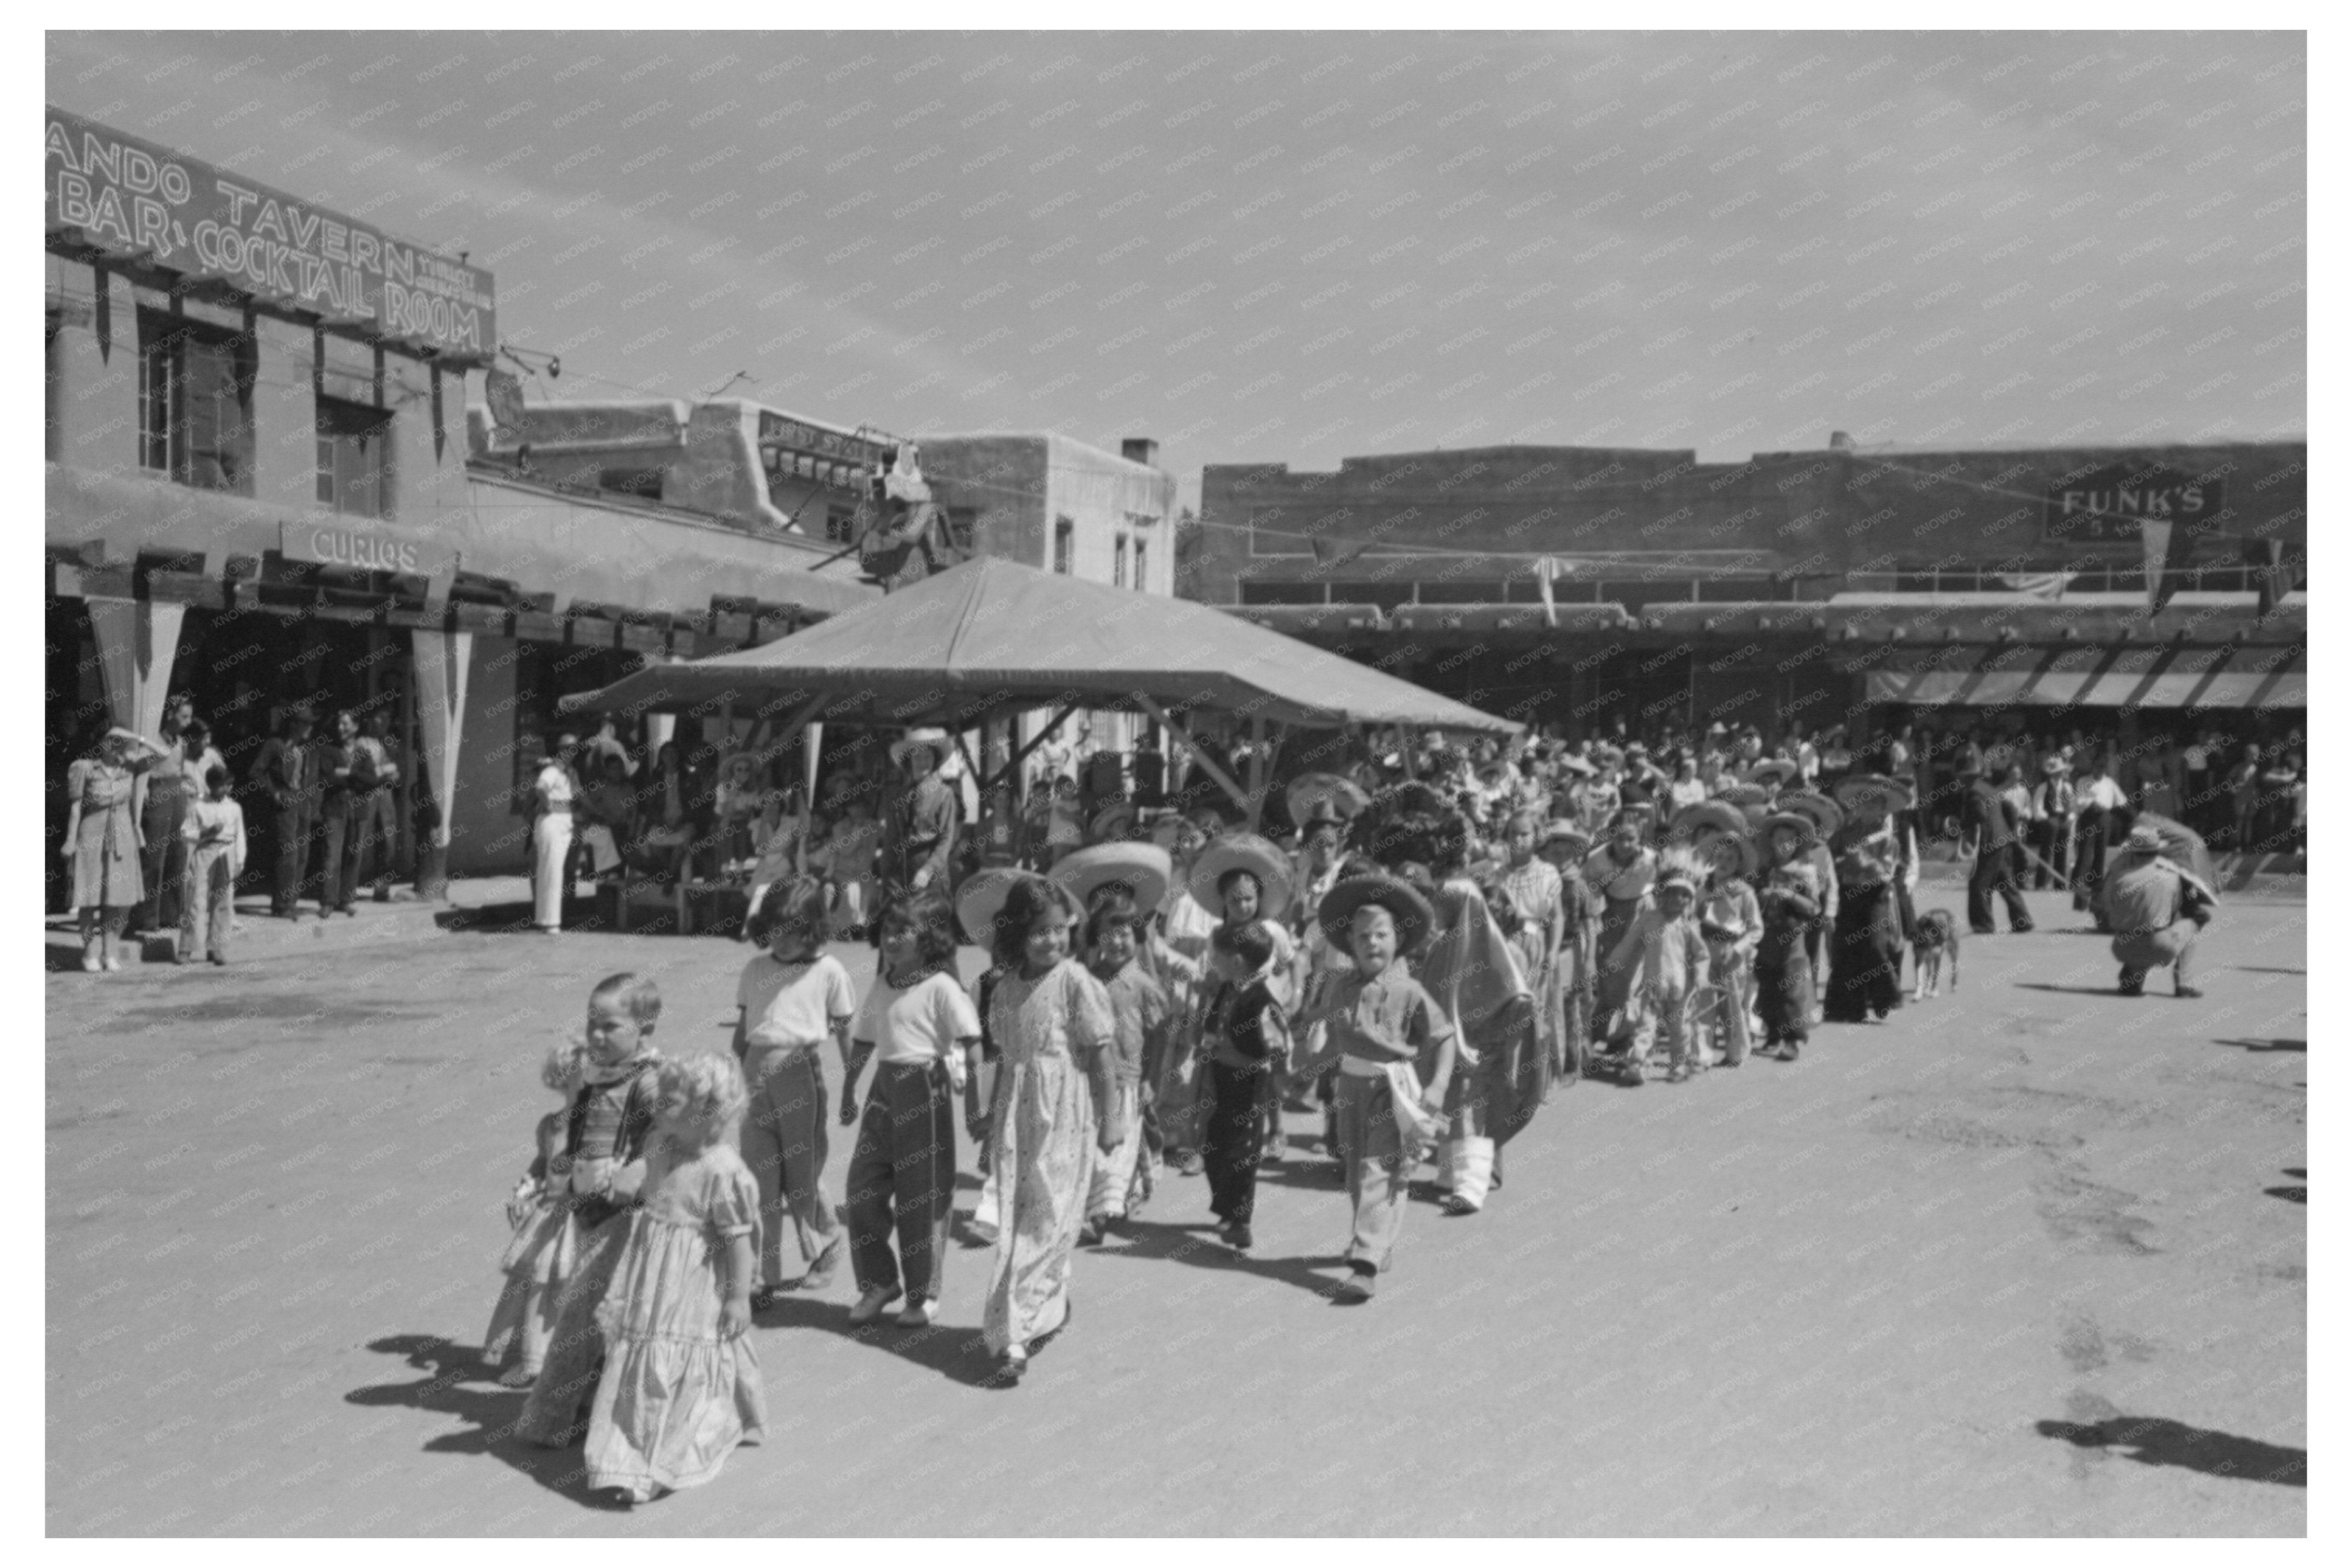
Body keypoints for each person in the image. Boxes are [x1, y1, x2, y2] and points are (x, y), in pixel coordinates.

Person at [581, 1052, 766, 1506]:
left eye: (671, 1099)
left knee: (689, 1354)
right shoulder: (660, 1144)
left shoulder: (723, 1170)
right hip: (649, 1273)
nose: (659, 1104)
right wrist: (627, 1177)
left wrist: (739, 1297)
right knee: (650, 1352)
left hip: (694, 1281)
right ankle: (634, 1444)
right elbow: (649, 1183)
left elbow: (739, 1240)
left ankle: (657, 1460)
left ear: (706, 1114)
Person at [978, 875, 1117, 1379]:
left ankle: (1012, 1334)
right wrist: (990, 1121)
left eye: (1059, 930)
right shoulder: (1005, 987)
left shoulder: (1076, 981)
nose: (1051, 941)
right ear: (1018, 933)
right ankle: (1042, 1309)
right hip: (1017, 1117)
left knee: (1051, 1217)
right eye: (1039, 931)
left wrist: (1111, 1121)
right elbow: (1004, 1060)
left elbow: (1102, 1056)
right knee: (1021, 1223)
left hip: (1065, 1114)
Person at [518, 973, 667, 1447]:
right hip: (585, 1210)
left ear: (644, 1027)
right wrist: (544, 1173)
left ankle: (548, 1420)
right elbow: (570, 1132)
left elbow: (669, 1139)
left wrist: (639, 1168)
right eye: (591, 1024)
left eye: (610, 1026)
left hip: (627, 1216)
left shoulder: (648, 1081)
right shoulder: (591, 1076)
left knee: (581, 1313)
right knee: (600, 1316)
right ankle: (596, 1405)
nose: (596, 1035)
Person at [1293, 873, 1452, 1302]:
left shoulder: (1409, 989)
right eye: (1362, 936)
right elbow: (1336, 1031)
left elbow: (1444, 1037)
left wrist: (1436, 1087)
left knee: (1379, 1169)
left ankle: (1363, 1264)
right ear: (1349, 942)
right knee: (1354, 1172)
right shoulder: (1342, 987)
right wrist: (1305, 1061)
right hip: (1350, 1088)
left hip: (1391, 1089)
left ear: (1397, 940)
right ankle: (1376, 1242)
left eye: (1381, 934)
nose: (1372, 943)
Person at [840, 891, 978, 1327]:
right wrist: (848, 1089)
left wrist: (977, 1101)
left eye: (905, 932)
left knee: (922, 1197)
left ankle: (922, 1294)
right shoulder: (881, 985)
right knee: (862, 1191)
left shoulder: (941, 987)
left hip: (925, 1089)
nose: (893, 939)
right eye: (887, 931)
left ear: (930, 940)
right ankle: (879, 1282)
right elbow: (863, 1040)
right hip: (883, 1091)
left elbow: (971, 1041)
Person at [732, 876, 852, 1303]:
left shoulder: (829, 971)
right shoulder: (755, 970)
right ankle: (762, 1277)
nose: (782, 942)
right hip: (752, 1080)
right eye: (776, 931)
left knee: (801, 1176)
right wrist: (732, 1085)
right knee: (758, 1181)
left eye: (794, 932)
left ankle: (828, 1239)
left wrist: (853, 1086)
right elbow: (743, 1036)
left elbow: (845, 1031)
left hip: (801, 1077)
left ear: (814, 929)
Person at [483, 1038, 590, 1389]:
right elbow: (543, 1163)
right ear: (564, 1076)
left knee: (577, 1285)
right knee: (539, 1287)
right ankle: (533, 1359)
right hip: (550, 1215)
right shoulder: (553, 1124)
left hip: (586, 1215)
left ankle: (576, 1357)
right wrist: (526, 1187)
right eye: (583, 1073)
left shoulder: (603, 1125)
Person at [1080, 891, 1170, 1246]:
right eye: (1108, 934)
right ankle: (1099, 1203)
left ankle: (1099, 1218)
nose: (1117, 942)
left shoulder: (1144, 986)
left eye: (1125, 934)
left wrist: (1151, 1080)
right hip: (1088, 1080)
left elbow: (1160, 1034)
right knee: (1091, 1145)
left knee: (1114, 1150)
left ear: (1137, 938)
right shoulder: (1086, 979)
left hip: (1128, 1081)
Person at [1197, 919, 1287, 1251]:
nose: (1212, 962)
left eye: (1216, 956)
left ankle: (1241, 1221)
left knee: (1243, 1152)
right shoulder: (1227, 987)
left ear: (1235, 960)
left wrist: (1276, 1054)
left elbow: (1277, 1041)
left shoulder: (1262, 999)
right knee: (1214, 1146)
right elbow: (1214, 1017)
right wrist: (1208, 1042)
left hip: (1250, 1082)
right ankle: (1226, 1208)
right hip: (1220, 1075)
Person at [1603, 851, 1711, 1084]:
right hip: (1651, 986)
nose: (1679, 900)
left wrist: (1702, 976)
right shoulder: (1649, 919)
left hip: (1679, 987)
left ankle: (1679, 1064)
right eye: (1673, 894)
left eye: (1685, 896)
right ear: (1662, 895)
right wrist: (1615, 961)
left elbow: (1702, 954)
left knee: (1679, 1027)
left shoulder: (1688, 924)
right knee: (1645, 1026)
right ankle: (1637, 1064)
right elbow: (1630, 942)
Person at [61, 727, 162, 971]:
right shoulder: (84, 768)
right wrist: (70, 840)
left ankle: (111, 951)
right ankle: (89, 953)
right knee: (89, 898)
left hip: (122, 834)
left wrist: (138, 739)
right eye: (112, 741)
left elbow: (163, 754)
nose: (117, 747)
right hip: (92, 833)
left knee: (120, 899)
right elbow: (76, 808)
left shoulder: (129, 767)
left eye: (121, 742)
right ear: (101, 743)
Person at [2099, 823, 2216, 999]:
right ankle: (2183, 983)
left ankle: (2133, 978)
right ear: (2157, 851)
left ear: (2131, 852)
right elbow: (2175, 909)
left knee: (2141, 924)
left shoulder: (2118, 876)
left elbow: (2106, 905)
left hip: (2121, 946)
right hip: (2159, 946)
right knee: (2190, 923)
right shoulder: (2170, 876)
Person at [1823, 800, 1906, 1024]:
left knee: (1875, 946)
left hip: (1876, 894)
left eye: (1874, 805)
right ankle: (1849, 1008)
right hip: (1849, 892)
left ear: (1883, 810)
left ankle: (1885, 998)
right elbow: (1829, 859)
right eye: (1864, 804)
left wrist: (1865, 862)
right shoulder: (1845, 833)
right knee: (1848, 949)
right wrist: (1846, 863)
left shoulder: (1889, 839)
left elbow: (1887, 871)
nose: (1868, 809)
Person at [131, 692, 200, 939]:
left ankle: (171, 914)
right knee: (153, 856)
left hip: (177, 793)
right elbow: (142, 768)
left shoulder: (182, 742)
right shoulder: (153, 739)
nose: (187, 721)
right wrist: (148, 790)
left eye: (190, 716)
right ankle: (147, 916)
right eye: (183, 716)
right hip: (158, 792)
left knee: (176, 853)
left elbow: (181, 770)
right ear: (170, 714)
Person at [1584, 811, 1660, 1029]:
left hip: (1640, 910)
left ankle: (1627, 1032)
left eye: (1631, 839)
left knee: (1635, 971)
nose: (1625, 845)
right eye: (1619, 838)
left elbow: (1664, 881)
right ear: (1610, 836)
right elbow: (1589, 888)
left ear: (1640, 839)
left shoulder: (1650, 859)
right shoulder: (1597, 859)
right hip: (1610, 912)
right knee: (1609, 969)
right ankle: (1603, 1025)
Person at [1754, 817, 1822, 1061]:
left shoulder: (1805, 872)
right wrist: (1762, 896)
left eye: (1790, 840)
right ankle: (1773, 1033)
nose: (1784, 844)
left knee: (1793, 988)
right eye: (1779, 839)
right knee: (1768, 984)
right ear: (1771, 842)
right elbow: (1751, 902)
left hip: (1792, 938)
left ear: (1797, 843)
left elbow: (1814, 908)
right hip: (1766, 937)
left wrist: (1791, 896)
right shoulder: (1764, 871)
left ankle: (1793, 1039)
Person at [249, 704, 319, 920]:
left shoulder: (304, 749)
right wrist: (274, 794)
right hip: (286, 802)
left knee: (302, 854)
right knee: (289, 853)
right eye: (305, 723)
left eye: (310, 724)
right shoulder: (275, 745)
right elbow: (256, 772)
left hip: (302, 803)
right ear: (294, 724)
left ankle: (292, 901)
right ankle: (281, 903)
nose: (309, 728)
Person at [1696, 834, 1760, 1067]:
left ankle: (1737, 1051)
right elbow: (1692, 920)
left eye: (1731, 858)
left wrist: (1739, 948)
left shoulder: (1744, 892)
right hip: (1705, 951)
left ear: (1739, 863)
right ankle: (1702, 1053)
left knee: (1733, 1004)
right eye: (1720, 856)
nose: (1724, 862)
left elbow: (1755, 929)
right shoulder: (1701, 889)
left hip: (1732, 953)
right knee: (1704, 1003)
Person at [175, 763, 245, 966]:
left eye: (228, 785)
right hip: (205, 852)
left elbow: (240, 836)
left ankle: (217, 948)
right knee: (196, 900)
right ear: (210, 785)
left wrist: (239, 860)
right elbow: (185, 832)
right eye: (220, 785)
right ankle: (186, 948)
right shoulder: (198, 806)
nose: (225, 789)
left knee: (223, 901)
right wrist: (204, 834)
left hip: (226, 853)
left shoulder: (234, 808)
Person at [881, 729, 960, 895]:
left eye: (927, 757)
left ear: (935, 760)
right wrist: (887, 875)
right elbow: (891, 837)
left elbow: (946, 839)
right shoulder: (899, 795)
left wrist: (927, 870)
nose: (923, 762)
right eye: (917, 757)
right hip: (902, 873)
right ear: (909, 760)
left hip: (932, 876)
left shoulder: (944, 794)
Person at [1958, 761, 2033, 935]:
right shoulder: (1988, 788)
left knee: (1979, 884)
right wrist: (2012, 832)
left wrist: (1960, 825)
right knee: (2004, 881)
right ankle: (2022, 920)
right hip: (2003, 840)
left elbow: (1980, 815)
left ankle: (1983, 924)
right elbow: (2010, 808)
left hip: (1991, 843)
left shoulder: (1974, 793)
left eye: (1962, 777)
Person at [317, 710, 377, 918]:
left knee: (354, 855)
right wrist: (356, 780)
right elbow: (328, 779)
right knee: (332, 857)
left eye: (345, 724)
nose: (340, 728)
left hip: (358, 810)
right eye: (339, 724)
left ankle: (347, 898)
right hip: (335, 809)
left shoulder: (363, 753)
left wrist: (351, 774)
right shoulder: (328, 751)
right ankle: (328, 901)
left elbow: (373, 781)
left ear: (356, 726)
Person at [352, 709, 404, 901]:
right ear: (368, 722)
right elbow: (362, 771)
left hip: (385, 793)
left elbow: (398, 763)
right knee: (360, 838)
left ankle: (382, 887)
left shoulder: (386, 742)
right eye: (379, 719)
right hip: (367, 793)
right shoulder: (361, 743)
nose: (383, 723)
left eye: (386, 719)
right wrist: (382, 771)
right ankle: (349, 887)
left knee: (388, 839)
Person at [530, 735, 579, 934]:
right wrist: (548, 805)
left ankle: (545, 919)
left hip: (564, 820)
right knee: (552, 872)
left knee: (551, 871)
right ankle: (551, 922)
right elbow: (540, 787)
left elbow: (576, 795)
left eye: (574, 748)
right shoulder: (552, 770)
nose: (571, 752)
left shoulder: (568, 773)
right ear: (559, 750)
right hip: (552, 821)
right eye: (567, 748)